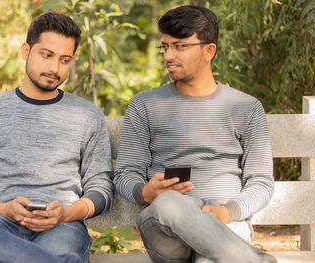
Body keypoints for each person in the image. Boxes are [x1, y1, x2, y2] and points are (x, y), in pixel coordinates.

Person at [0, 12, 114, 263]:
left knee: (60, 248)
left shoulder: (87, 116)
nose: (54, 68)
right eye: (46, 55)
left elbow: (101, 190)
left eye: (65, 60)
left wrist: (64, 214)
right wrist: (3, 209)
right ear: (25, 51)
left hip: (60, 226)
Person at [114, 5, 276, 263]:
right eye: (165, 47)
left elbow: (262, 183)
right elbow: (125, 172)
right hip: (165, 229)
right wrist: (144, 192)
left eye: (180, 46)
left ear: (208, 50)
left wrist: (226, 212)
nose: (168, 55)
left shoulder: (246, 108)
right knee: (170, 204)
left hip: (224, 224)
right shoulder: (144, 105)